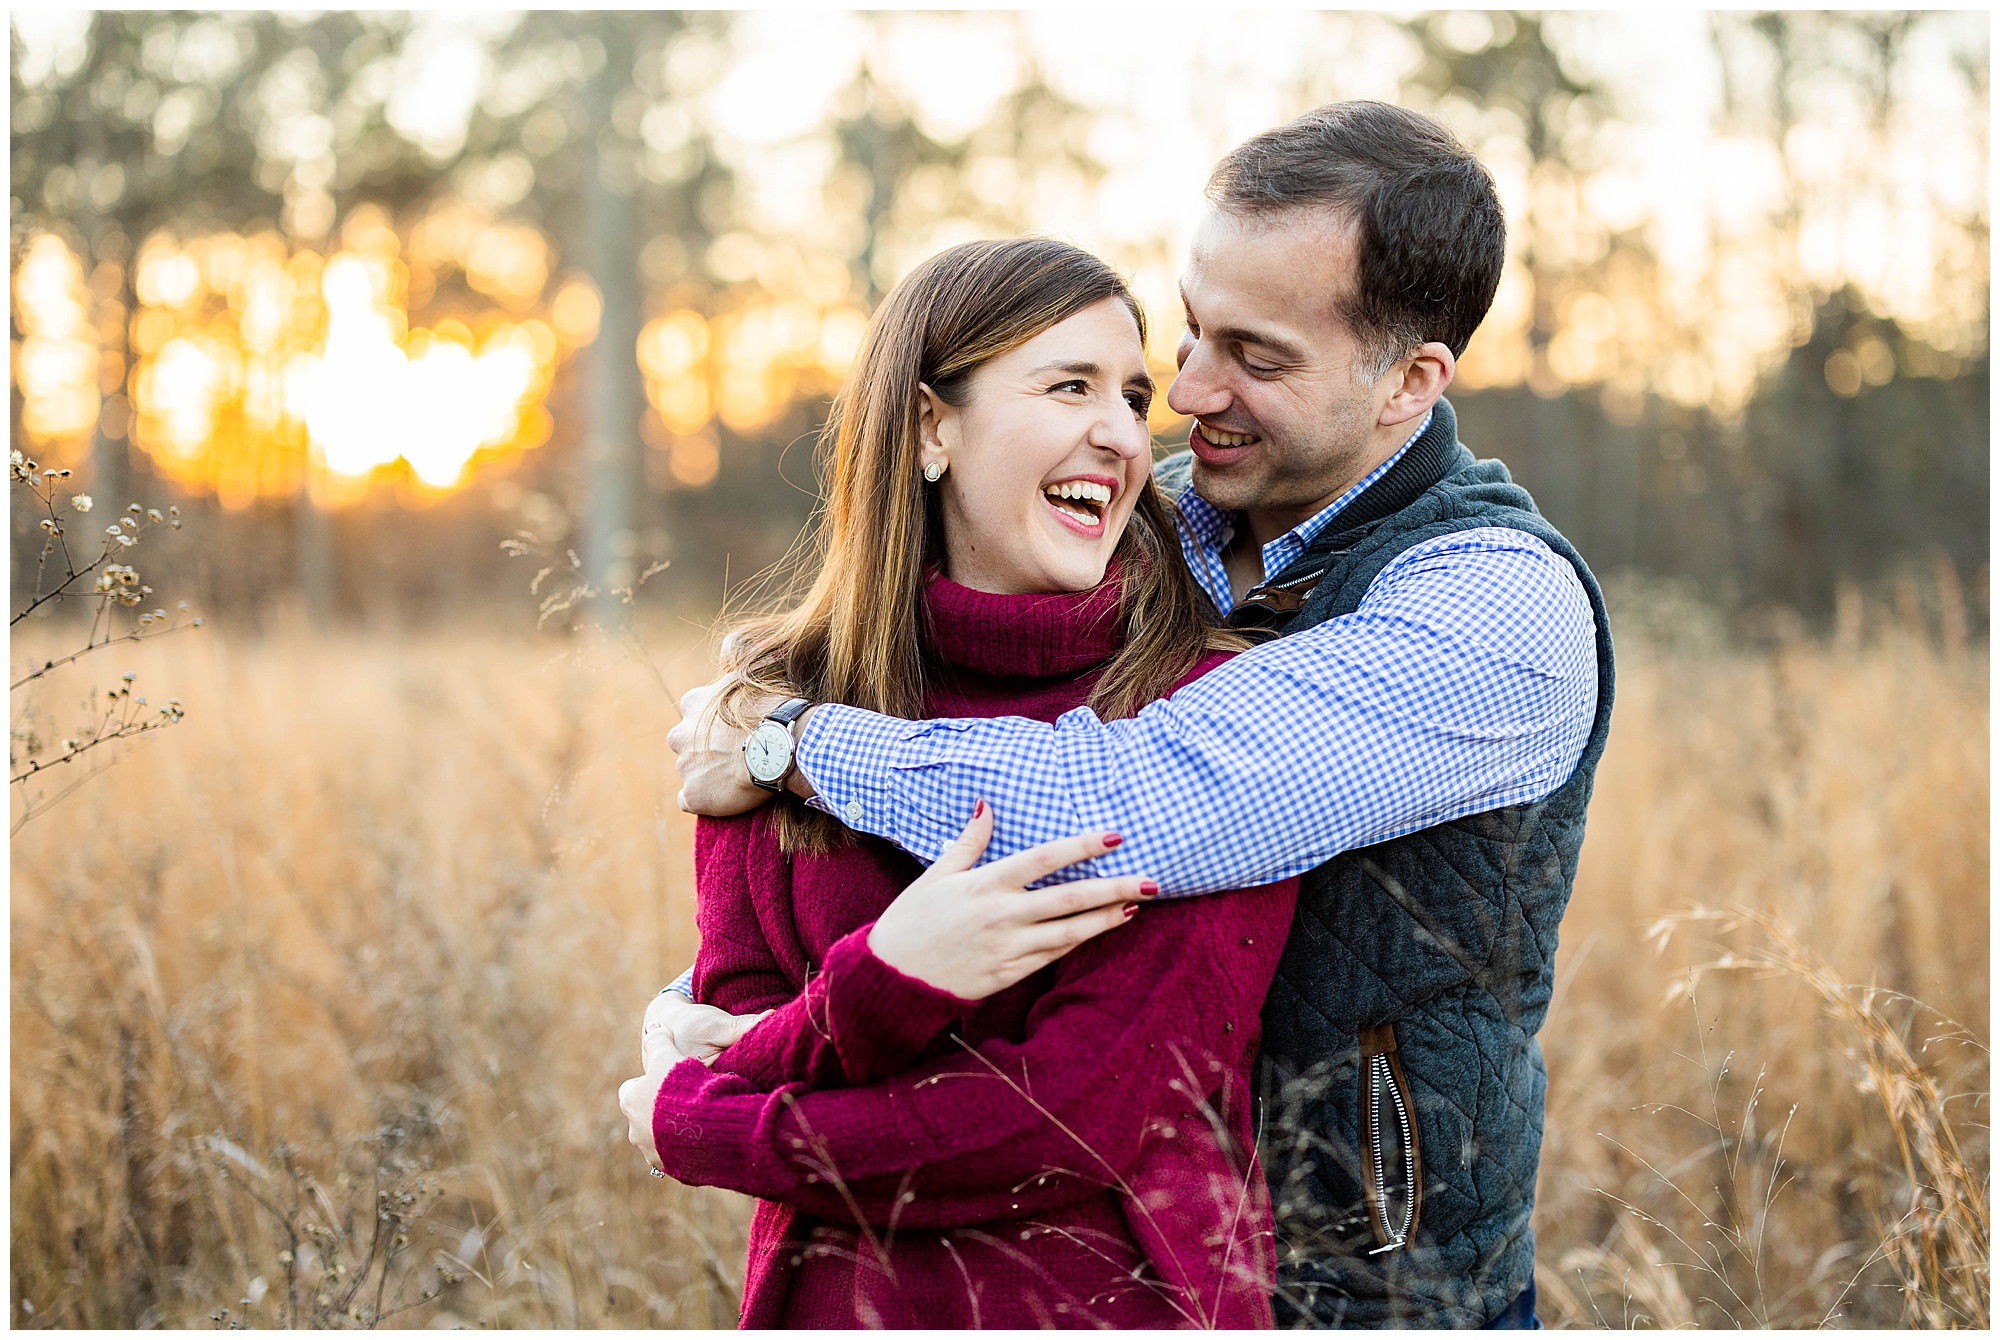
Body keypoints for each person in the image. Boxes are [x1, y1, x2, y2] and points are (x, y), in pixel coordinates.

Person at [660, 102, 1614, 1329]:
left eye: (1256, 357)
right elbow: (820, 917)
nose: (1187, 389)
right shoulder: (1140, 528)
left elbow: (1120, 806)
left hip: (1371, 1283)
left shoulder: (1492, 605)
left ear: (1407, 382)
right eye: (1191, 328)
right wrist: (718, 1014)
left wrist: (789, 744)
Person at [618, 237, 1299, 1328]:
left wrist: (720, 1117)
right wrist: (890, 975)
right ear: (932, 426)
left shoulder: (1206, 715)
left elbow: (1076, 1114)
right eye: (1068, 385)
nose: (1122, 433)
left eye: (1130, 396)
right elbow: (741, 1014)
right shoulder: (780, 708)